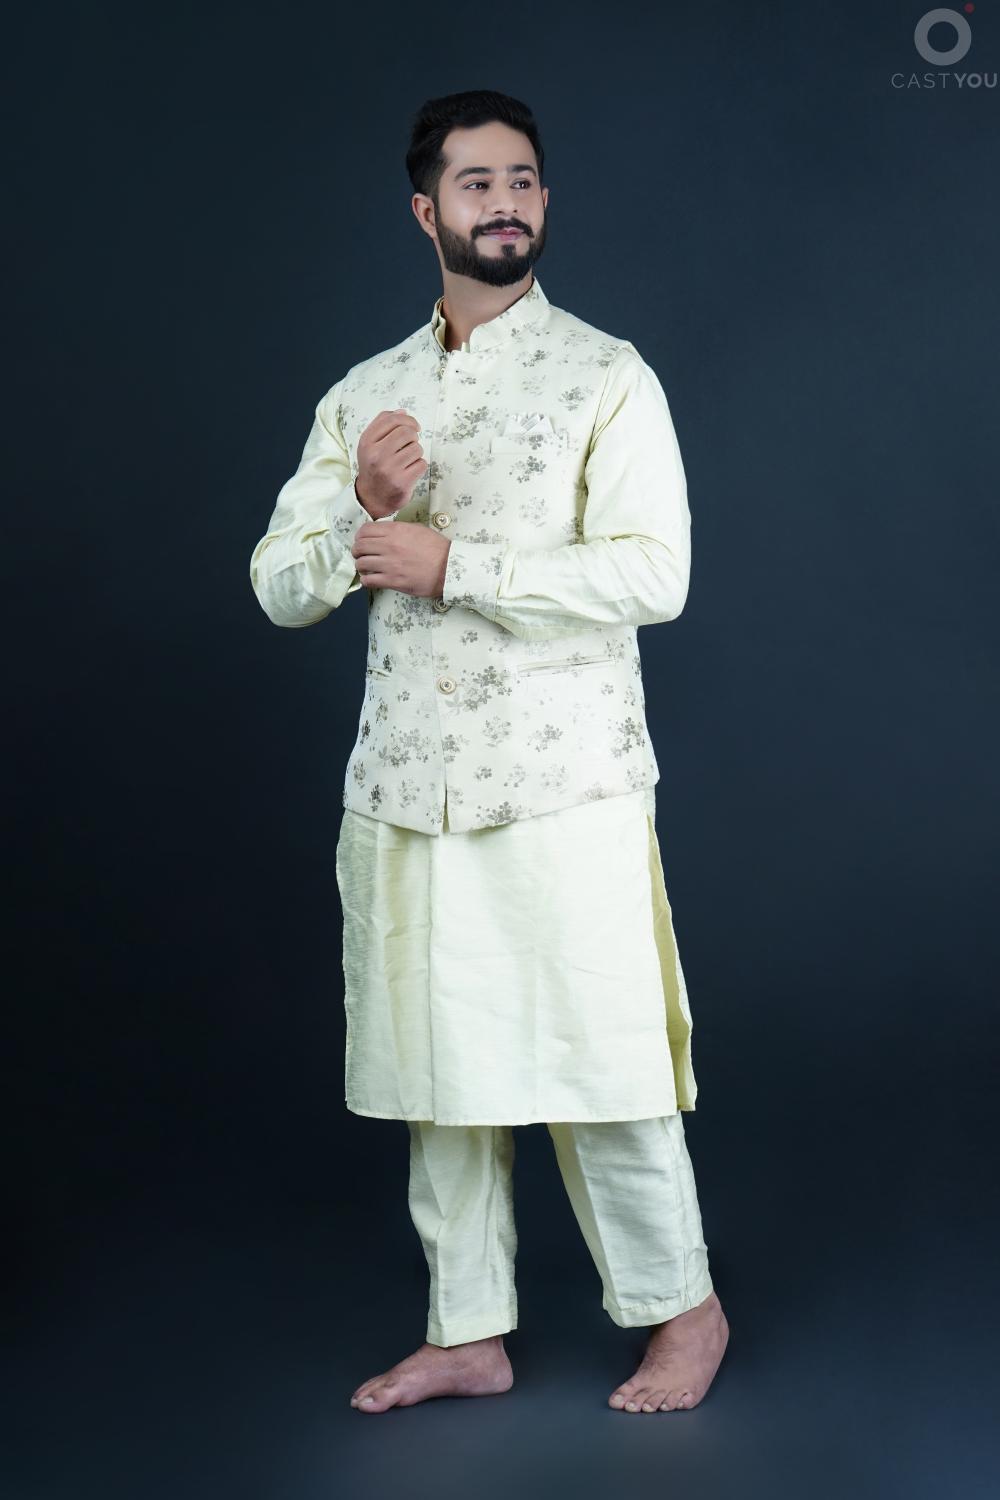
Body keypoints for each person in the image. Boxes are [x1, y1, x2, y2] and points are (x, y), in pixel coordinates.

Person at [249, 89, 729, 1416]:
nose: (504, 202)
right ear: (428, 212)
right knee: (437, 1069)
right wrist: (358, 510)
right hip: (408, 782)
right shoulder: (366, 398)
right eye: (476, 183)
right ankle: (468, 1331)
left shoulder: (606, 375)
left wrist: (456, 564)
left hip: (565, 778)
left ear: (544, 202)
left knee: (601, 1057)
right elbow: (278, 588)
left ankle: (683, 1312)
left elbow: (655, 573)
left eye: (522, 180)